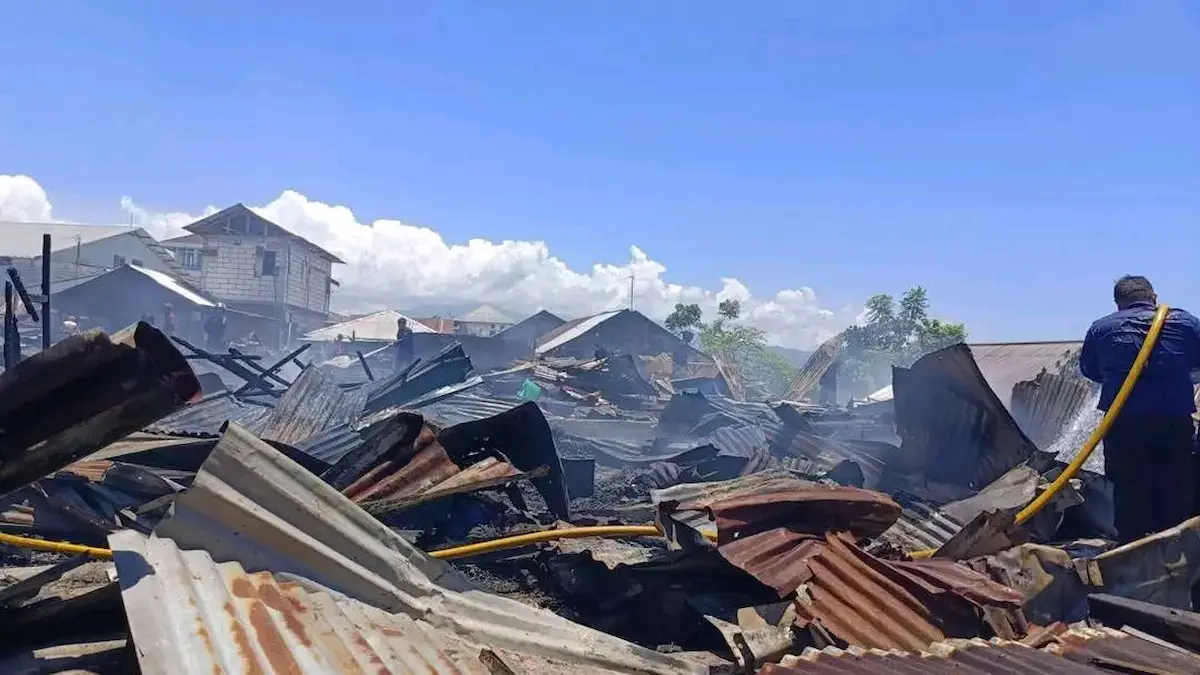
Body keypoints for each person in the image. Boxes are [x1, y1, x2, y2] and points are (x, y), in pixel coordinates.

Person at [1079, 275, 1200, 543]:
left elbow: (1089, 370)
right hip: (1173, 425)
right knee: (1176, 489)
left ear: (1118, 303)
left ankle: (1133, 555)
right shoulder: (1186, 323)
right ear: (1153, 297)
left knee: (1129, 492)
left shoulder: (1101, 329)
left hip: (1123, 426)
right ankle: (1177, 554)